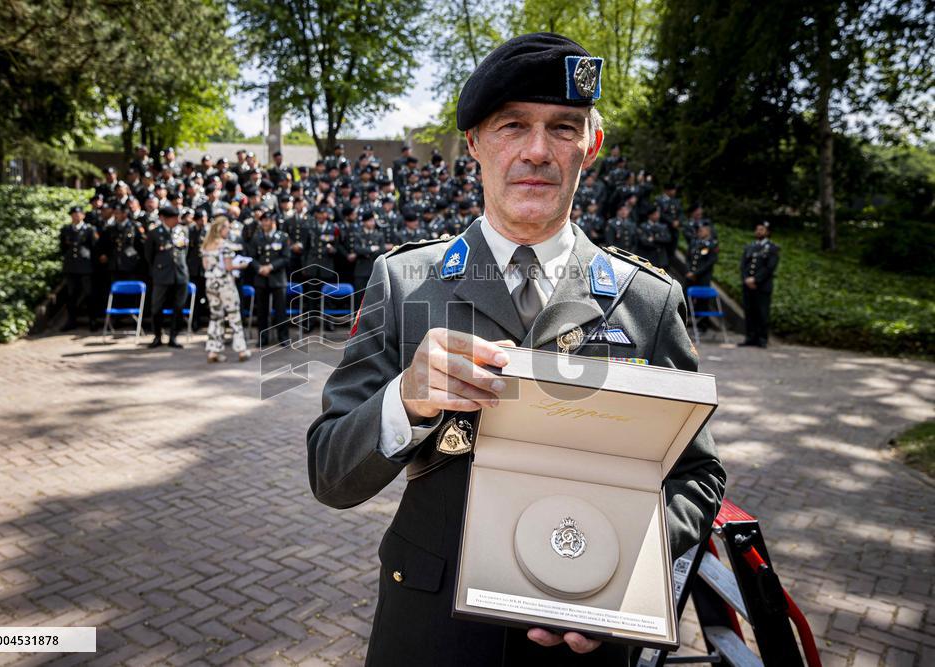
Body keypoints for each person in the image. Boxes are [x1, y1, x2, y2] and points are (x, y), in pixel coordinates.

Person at [306, 32, 725, 666]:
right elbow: (329, 474)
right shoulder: (406, 283)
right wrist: (404, 401)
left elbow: (696, 476)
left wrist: (627, 571)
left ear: (593, 145)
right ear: (473, 143)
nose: (537, 150)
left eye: (563, 127)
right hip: (431, 630)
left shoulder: (648, 300)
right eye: (512, 126)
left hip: (584, 640)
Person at [201, 217, 252, 362]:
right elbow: (229, 266)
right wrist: (242, 265)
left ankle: (213, 351)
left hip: (210, 283)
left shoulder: (206, 245)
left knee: (215, 316)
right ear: (220, 229)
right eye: (227, 227)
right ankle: (241, 349)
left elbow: (205, 266)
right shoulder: (225, 245)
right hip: (225, 283)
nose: (228, 230)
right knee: (234, 315)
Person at [144, 206, 190, 348]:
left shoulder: (183, 231)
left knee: (179, 306)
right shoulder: (154, 233)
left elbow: (185, 251)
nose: (177, 220)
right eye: (173, 217)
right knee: (157, 307)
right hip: (162, 274)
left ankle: (173, 337)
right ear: (164, 218)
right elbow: (149, 255)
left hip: (180, 274)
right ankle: (157, 336)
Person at [247, 212, 292, 347]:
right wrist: (259, 268)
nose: (264, 223)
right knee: (262, 311)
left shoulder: (282, 237)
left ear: (273, 221)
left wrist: (271, 267)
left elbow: (286, 257)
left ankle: (283, 337)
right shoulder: (256, 237)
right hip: (261, 278)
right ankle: (263, 338)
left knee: (280, 310)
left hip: (277, 278)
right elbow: (251, 257)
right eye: (263, 221)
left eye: (267, 220)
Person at [740, 221, 780, 348]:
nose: (758, 231)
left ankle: (762, 339)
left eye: (761, 229)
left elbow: (770, 267)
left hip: (762, 286)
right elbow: (743, 265)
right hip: (748, 286)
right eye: (757, 229)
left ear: (767, 232)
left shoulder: (772, 248)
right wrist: (746, 279)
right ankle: (750, 337)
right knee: (749, 312)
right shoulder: (749, 246)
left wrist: (755, 280)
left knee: (762, 313)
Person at [59, 205, 96, 330]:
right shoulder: (66, 229)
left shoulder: (89, 229)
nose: (76, 216)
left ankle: (92, 320)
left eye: (78, 214)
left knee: (89, 294)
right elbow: (63, 248)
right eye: (74, 214)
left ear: (83, 215)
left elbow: (93, 247)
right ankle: (71, 320)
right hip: (71, 266)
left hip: (85, 266)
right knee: (71, 295)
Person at [685, 221, 719, 333]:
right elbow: (688, 258)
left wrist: (696, 273)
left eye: (702, 230)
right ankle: (685, 323)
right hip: (691, 276)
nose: (699, 232)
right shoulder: (694, 242)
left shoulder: (712, 244)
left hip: (702, 277)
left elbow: (709, 263)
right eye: (699, 230)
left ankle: (702, 326)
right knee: (685, 298)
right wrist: (690, 271)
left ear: (708, 231)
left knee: (702, 302)